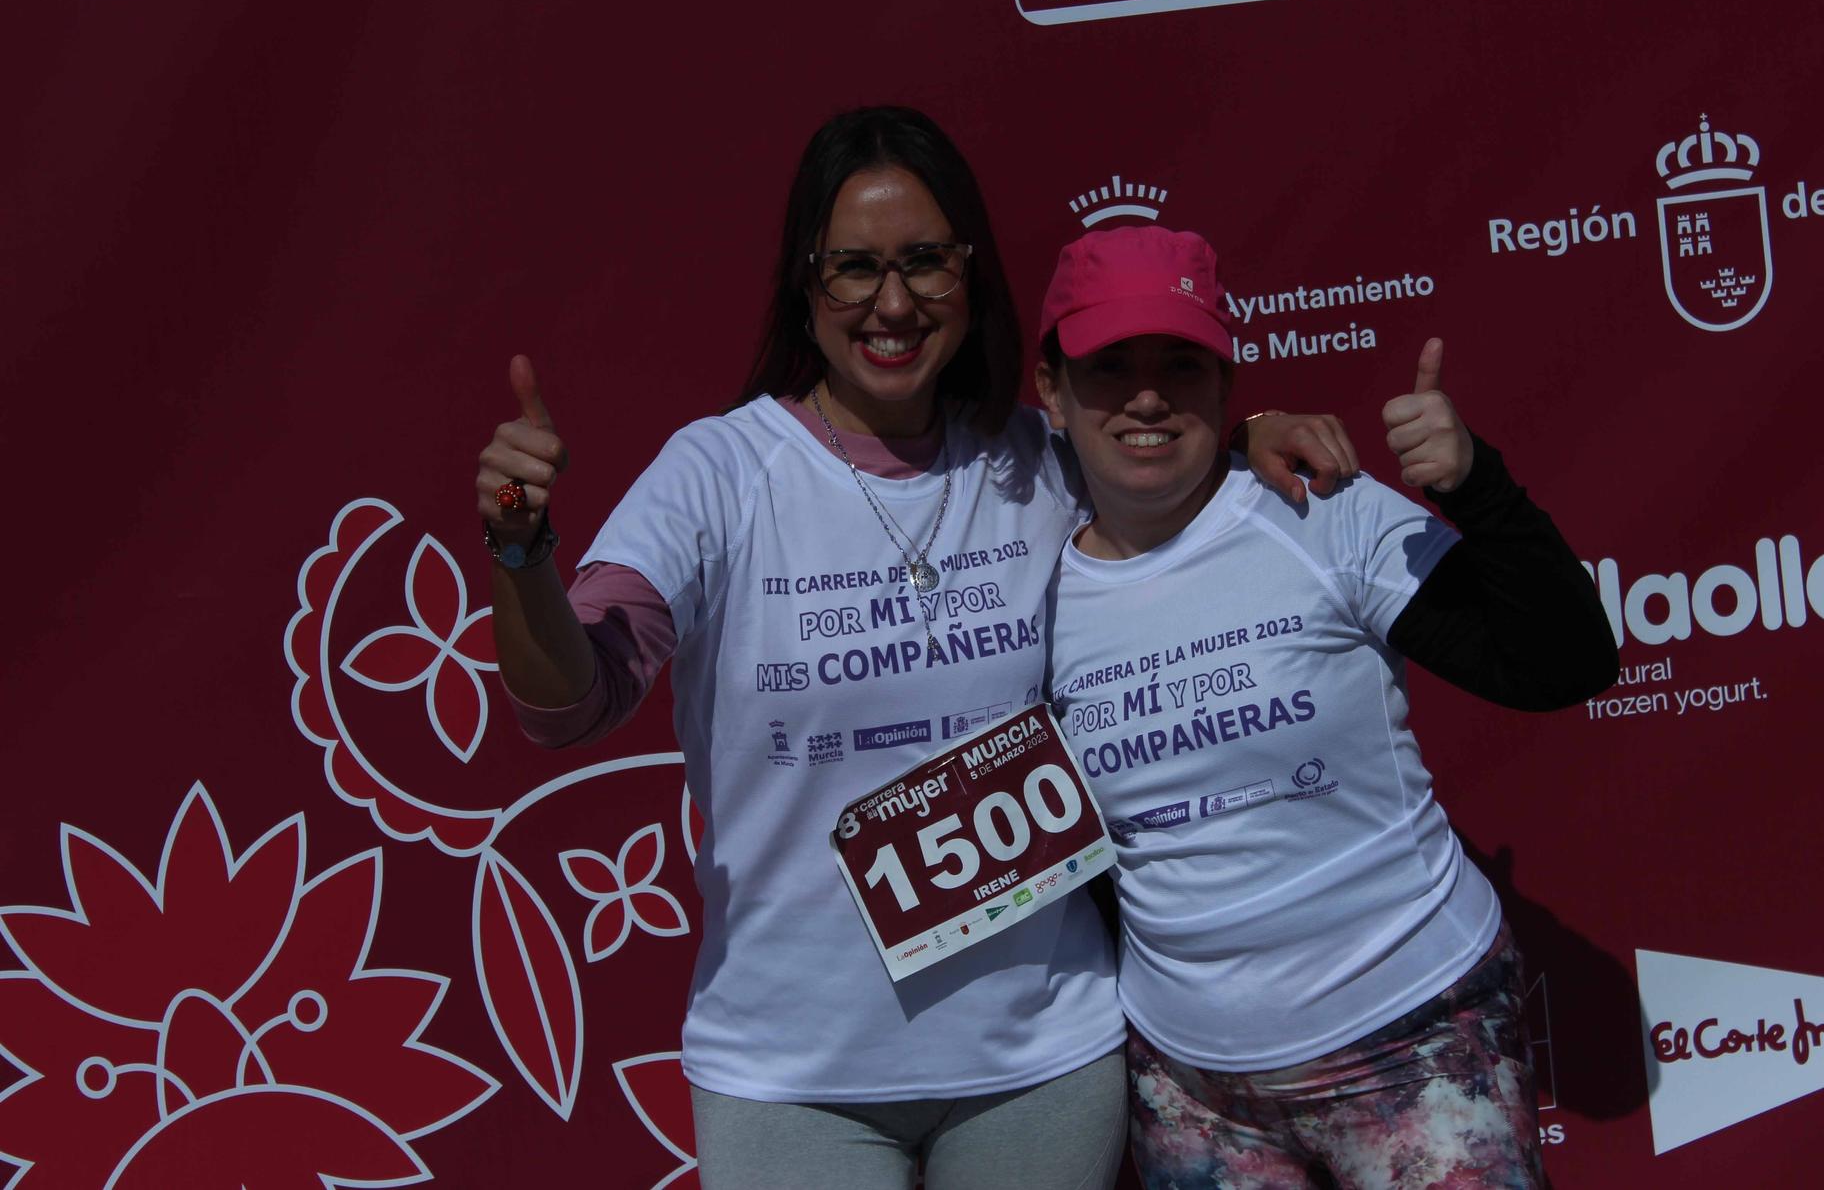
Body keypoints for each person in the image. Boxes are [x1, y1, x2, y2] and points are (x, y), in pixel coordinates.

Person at [472, 108, 1355, 1190]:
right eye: (852, 268)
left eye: (924, 262)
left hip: (1037, 1058)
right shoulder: (719, 473)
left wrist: (1244, 432)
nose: (891, 304)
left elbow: (1160, 456)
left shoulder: (1033, 455)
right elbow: (573, 700)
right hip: (793, 1074)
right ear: (805, 283)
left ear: (970, 274)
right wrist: (520, 554)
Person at [1032, 225, 1618, 1190]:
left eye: (1180, 363)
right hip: (1192, 1088)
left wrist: (1477, 483)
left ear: (1226, 383)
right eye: (1109, 366)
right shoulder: (1026, 577)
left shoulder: (1319, 509)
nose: (1146, 395)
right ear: (1051, 391)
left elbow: (1561, 663)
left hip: (1416, 1039)